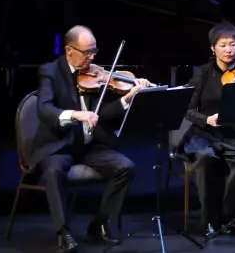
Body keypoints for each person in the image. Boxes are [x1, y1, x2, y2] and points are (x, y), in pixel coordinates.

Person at [33, 26, 152, 252]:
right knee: (53, 171)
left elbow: (103, 113)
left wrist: (129, 96)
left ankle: (99, 224)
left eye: (94, 51)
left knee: (125, 167)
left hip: (89, 145)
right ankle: (64, 232)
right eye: (86, 52)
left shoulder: (95, 74)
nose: (92, 57)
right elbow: (44, 109)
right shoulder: (50, 71)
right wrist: (76, 114)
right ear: (69, 50)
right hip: (60, 144)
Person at [181, 21, 235, 238]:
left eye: (233, 44)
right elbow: (187, 109)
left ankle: (233, 219)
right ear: (213, 48)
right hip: (203, 134)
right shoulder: (203, 74)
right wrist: (206, 119)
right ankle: (209, 220)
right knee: (206, 158)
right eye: (223, 45)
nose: (228, 50)